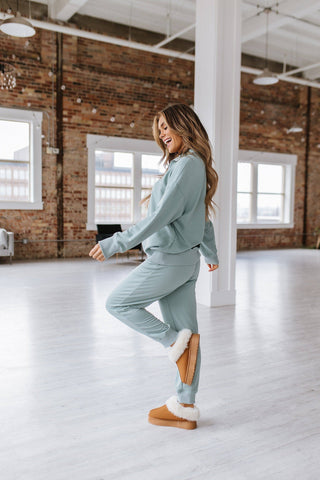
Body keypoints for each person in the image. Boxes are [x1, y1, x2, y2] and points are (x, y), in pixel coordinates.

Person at [89, 103, 219, 430]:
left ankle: (170, 341)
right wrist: (210, 253)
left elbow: (161, 217)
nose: (162, 134)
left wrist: (116, 243)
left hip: (169, 261)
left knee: (117, 303)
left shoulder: (188, 165)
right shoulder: (191, 165)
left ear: (184, 125)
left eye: (166, 126)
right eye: (159, 129)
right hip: (184, 261)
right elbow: (200, 217)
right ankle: (184, 407)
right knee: (189, 339)